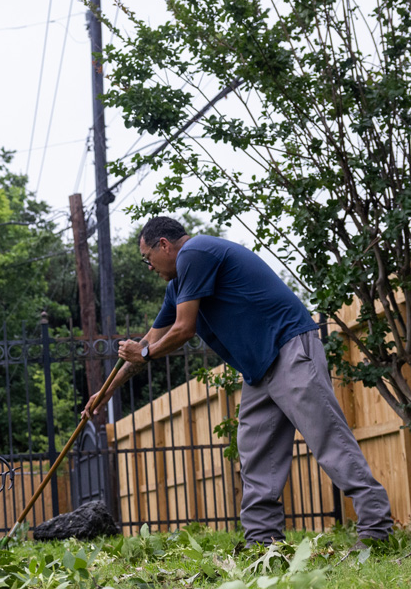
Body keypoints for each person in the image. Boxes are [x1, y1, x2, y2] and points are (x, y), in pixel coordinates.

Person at [84, 216, 394, 548]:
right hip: (259, 368)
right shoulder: (177, 287)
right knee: (257, 454)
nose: (149, 268)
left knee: (327, 438)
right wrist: (106, 392)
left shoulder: (195, 252)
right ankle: (263, 542)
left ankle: (376, 529)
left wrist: (144, 355)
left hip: (288, 347)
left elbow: (182, 331)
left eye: (148, 259)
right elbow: (148, 342)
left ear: (164, 245)